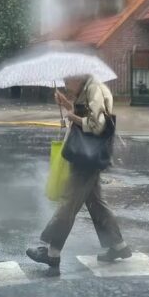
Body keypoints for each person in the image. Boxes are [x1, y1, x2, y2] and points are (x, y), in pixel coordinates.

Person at [26, 74, 130, 271]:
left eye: (67, 82)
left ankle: (52, 253)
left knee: (69, 202)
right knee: (95, 203)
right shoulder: (87, 89)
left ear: (79, 77)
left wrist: (71, 117)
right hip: (88, 155)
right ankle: (118, 246)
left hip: (86, 158)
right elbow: (86, 114)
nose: (66, 86)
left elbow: (96, 125)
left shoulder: (94, 89)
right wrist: (67, 104)